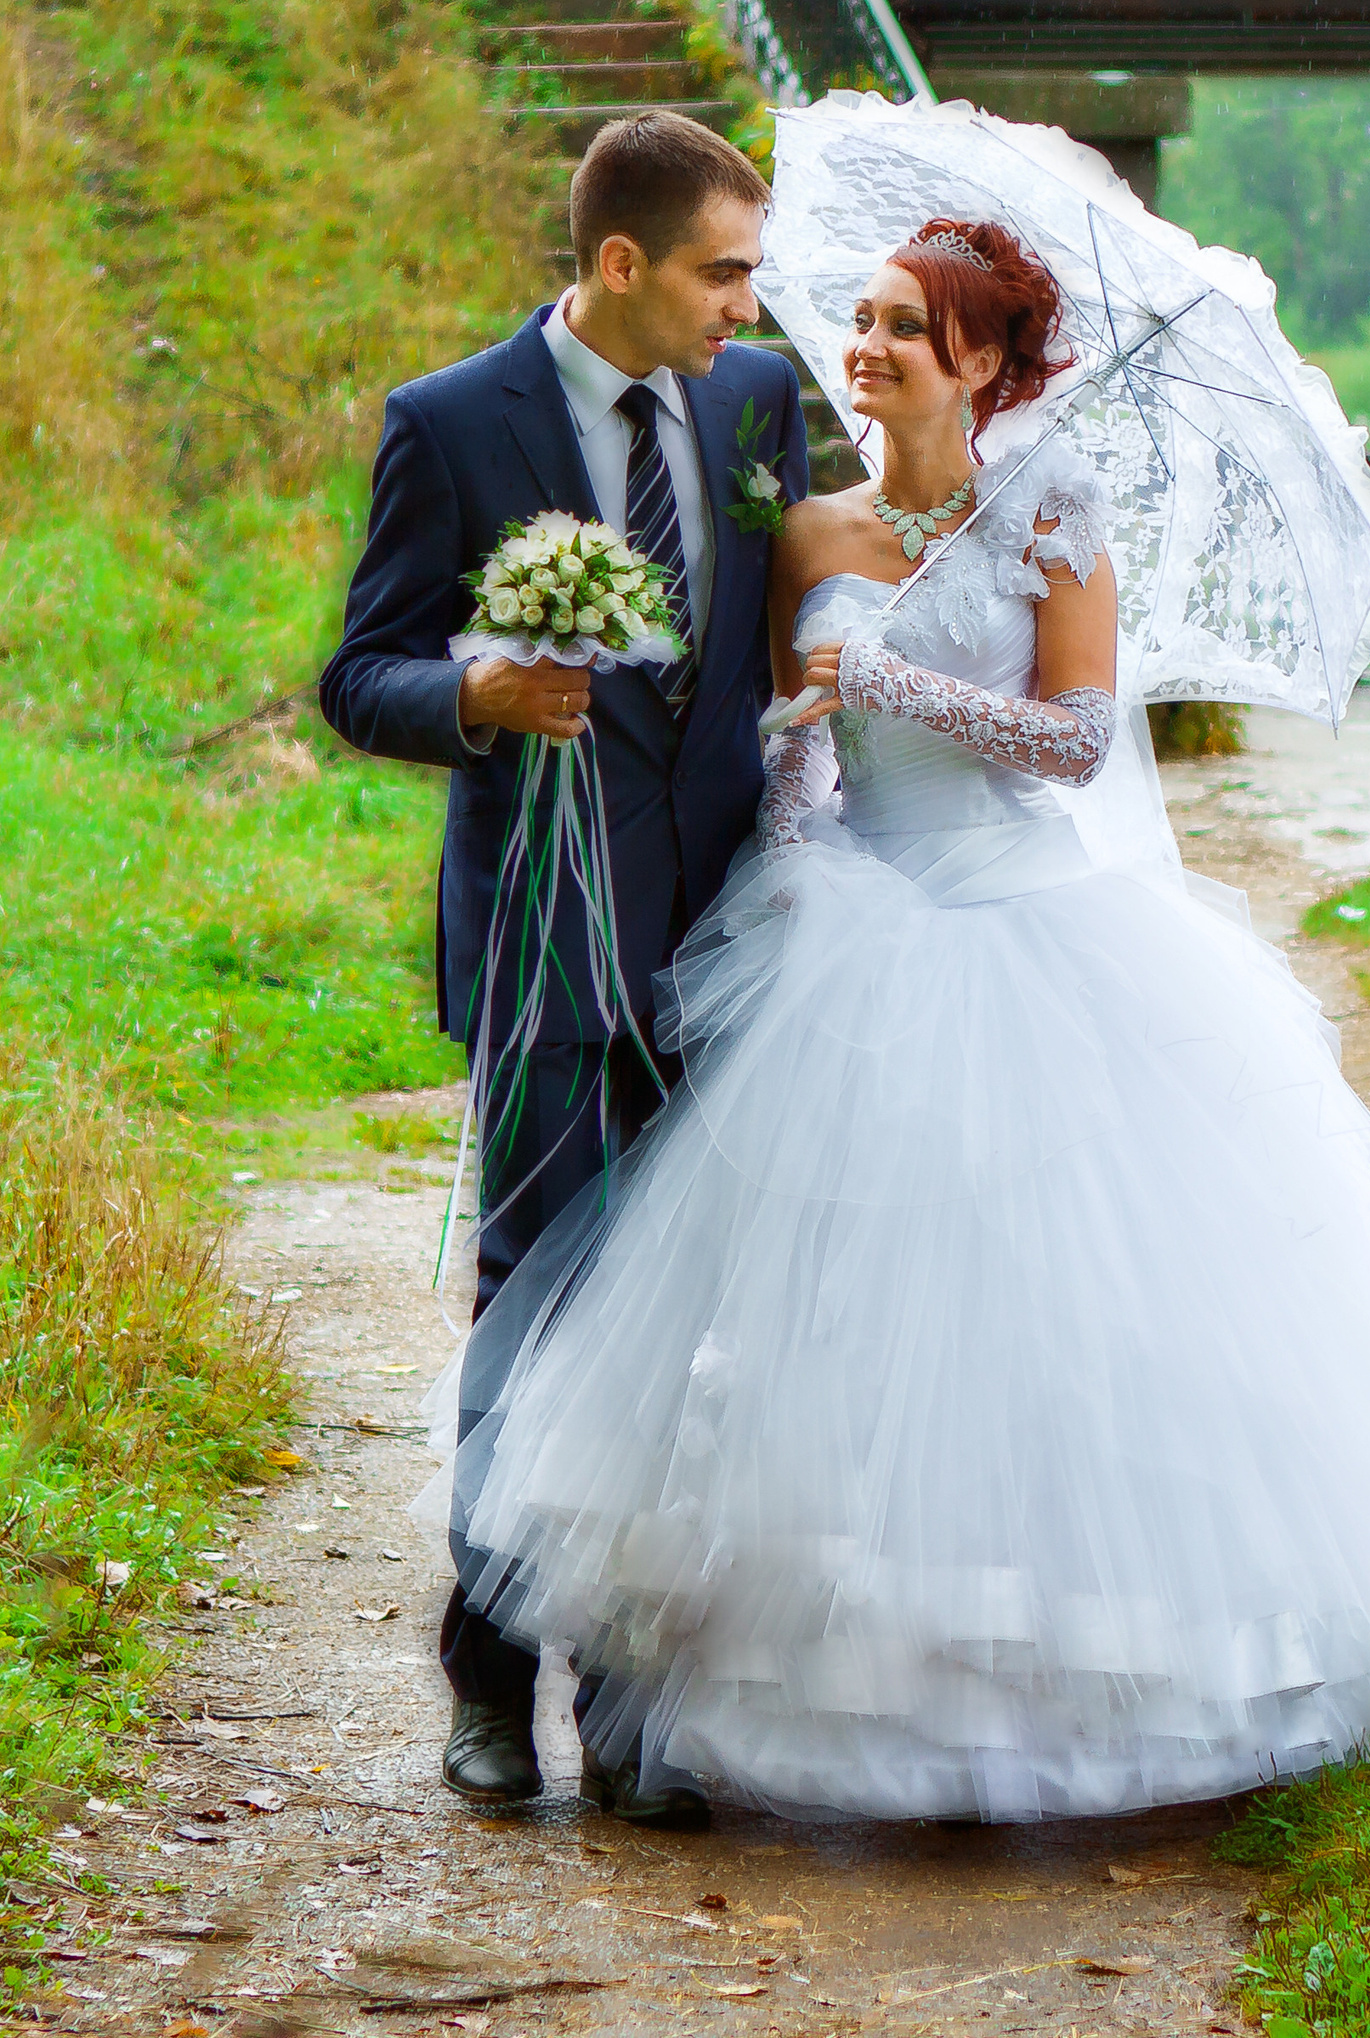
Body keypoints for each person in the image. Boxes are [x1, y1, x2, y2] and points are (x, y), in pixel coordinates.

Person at [444, 217, 1370, 1825]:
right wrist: (798, 787)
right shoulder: (811, 530)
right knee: (831, 1329)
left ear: (978, 358)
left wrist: (897, 690)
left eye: (908, 326)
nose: (871, 345)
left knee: (1053, 1315)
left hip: (1030, 929)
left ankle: (1069, 1674)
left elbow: (1079, 735)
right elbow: (794, 755)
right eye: (869, 319)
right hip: (855, 926)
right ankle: (788, 1682)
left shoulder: (1056, 509)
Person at [318, 111, 810, 1826]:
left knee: (677, 1326)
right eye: (721, 270)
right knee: (529, 1300)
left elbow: (771, 639)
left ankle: (630, 1696)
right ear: (621, 266)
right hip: (541, 942)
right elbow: (358, 672)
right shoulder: (452, 425)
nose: (750, 299)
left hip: (717, 941)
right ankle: (489, 1678)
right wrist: (470, 697)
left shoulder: (755, 407)